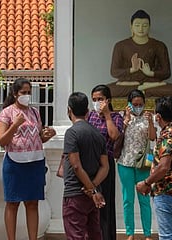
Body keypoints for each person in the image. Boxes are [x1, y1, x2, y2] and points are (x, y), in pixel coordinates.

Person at [0, 78, 56, 240]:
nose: (27, 95)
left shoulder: (35, 112)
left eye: (29, 92)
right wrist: (14, 125)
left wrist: (47, 136)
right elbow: (2, 140)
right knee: (12, 203)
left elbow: (37, 138)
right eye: (23, 92)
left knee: (32, 203)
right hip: (14, 163)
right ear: (15, 94)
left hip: (35, 161)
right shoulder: (6, 113)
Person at [136, 96, 172, 240]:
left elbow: (164, 167)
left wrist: (146, 182)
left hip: (165, 191)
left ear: (158, 116)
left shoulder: (168, 136)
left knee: (167, 237)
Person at [59, 92, 109, 239]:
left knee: (76, 235)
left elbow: (76, 166)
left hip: (75, 192)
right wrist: (93, 187)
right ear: (87, 111)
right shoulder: (98, 134)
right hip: (93, 195)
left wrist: (90, 189)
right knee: (94, 234)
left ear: (69, 110)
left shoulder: (72, 133)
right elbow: (105, 167)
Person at [107, 9, 172, 98]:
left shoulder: (159, 45)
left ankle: (139, 90)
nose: (141, 29)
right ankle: (141, 89)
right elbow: (114, 72)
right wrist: (132, 70)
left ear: (149, 26)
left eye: (145, 25)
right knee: (107, 90)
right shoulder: (120, 46)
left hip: (152, 83)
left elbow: (166, 72)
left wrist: (150, 73)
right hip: (127, 84)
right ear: (131, 27)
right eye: (137, 25)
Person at [117, 89, 156, 240]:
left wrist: (151, 121)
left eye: (140, 104)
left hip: (143, 163)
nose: (138, 107)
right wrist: (126, 120)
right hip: (125, 162)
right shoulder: (123, 117)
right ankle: (130, 233)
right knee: (128, 199)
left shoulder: (147, 118)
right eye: (135, 104)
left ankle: (147, 233)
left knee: (144, 199)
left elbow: (152, 137)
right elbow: (118, 137)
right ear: (129, 104)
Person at [87, 84, 124, 240]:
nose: (97, 102)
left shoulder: (116, 117)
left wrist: (107, 115)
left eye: (100, 99)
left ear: (108, 100)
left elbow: (114, 136)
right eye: (94, 99)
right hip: (90, 162)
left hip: (106, 163)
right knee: (89, 202)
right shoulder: (90, 116)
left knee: (105, 203)